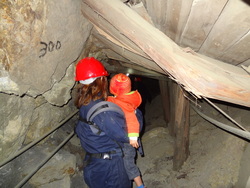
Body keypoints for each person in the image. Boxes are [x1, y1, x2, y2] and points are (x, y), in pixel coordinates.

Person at [74, 57, 141, 188]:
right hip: (110, 169)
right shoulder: (102, 110)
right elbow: (124, 136)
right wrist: (133, 111)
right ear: (101, 80)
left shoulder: (85, 104)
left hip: (93, 164)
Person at [107, 73, 146, 188]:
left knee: (129, 164)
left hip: (128, 140)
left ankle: (140, 186)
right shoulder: (117, 99)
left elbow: (132, 120)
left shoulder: (125, 104)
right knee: (125, 162)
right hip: (122, 136)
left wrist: (133, 138)